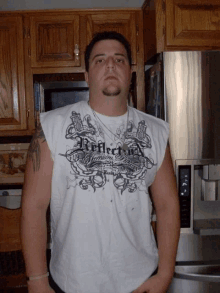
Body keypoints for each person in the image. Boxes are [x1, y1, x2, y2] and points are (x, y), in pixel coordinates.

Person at [21, 31, 180, 293]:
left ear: (130, 71)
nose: (110, 65)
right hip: (72, 281)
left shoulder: (155, 131)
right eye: (99, 60)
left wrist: (165, 274)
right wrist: (37, 279)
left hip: (140, 280)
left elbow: (167, 206)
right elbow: (33, 208)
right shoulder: (52, 127)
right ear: (86, 75)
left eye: (119, 59)